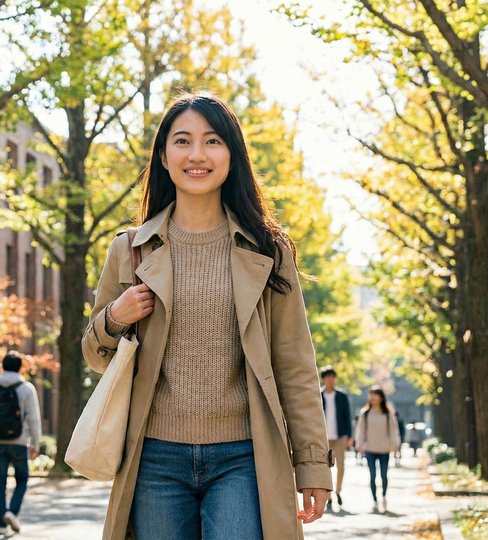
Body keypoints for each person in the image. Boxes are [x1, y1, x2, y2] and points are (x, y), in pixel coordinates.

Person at [81, 91, 333, 540]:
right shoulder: (131, 248)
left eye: (213, 141)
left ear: (232, 156)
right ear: (163, 156)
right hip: (154, 458)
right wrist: (116, 316)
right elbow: (96, 356)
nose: (197, 154)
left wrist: (312, 464)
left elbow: (295, 364)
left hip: (244, 456)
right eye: (182, 141)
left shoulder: (268, 251)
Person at [0, 353, 43, 537]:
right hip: (19, 441)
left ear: (3, 366)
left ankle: (1, 525)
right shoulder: (26, 388)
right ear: (19, 367)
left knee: (0, 482)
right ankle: (12, 511)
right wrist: (36, 443)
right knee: (22, 479)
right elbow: (33, 419)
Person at [354, 386, 400, 513]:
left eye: (375, 394)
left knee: (384, 476)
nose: (373, 397)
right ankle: (374, 501)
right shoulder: (365, 413)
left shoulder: (387, 413)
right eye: (371, 395)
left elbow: (393, 431)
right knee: (372, 476)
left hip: (384, 449)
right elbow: (361, 430)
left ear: (381, 397)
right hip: (370, 449)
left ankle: (384, 497)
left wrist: (395, 447)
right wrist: (359, 445)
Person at [320, 365, 354, 510]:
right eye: (327, 377)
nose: (330, 380)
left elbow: (348, 416)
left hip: (340, 436)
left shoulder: (342, 396)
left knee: (341, 466)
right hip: (323, 437)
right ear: (323, 379)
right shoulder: (318, 395)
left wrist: (349, 436)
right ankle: (328, 496)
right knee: (325, 467)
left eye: (332, 377)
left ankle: (338, 491)